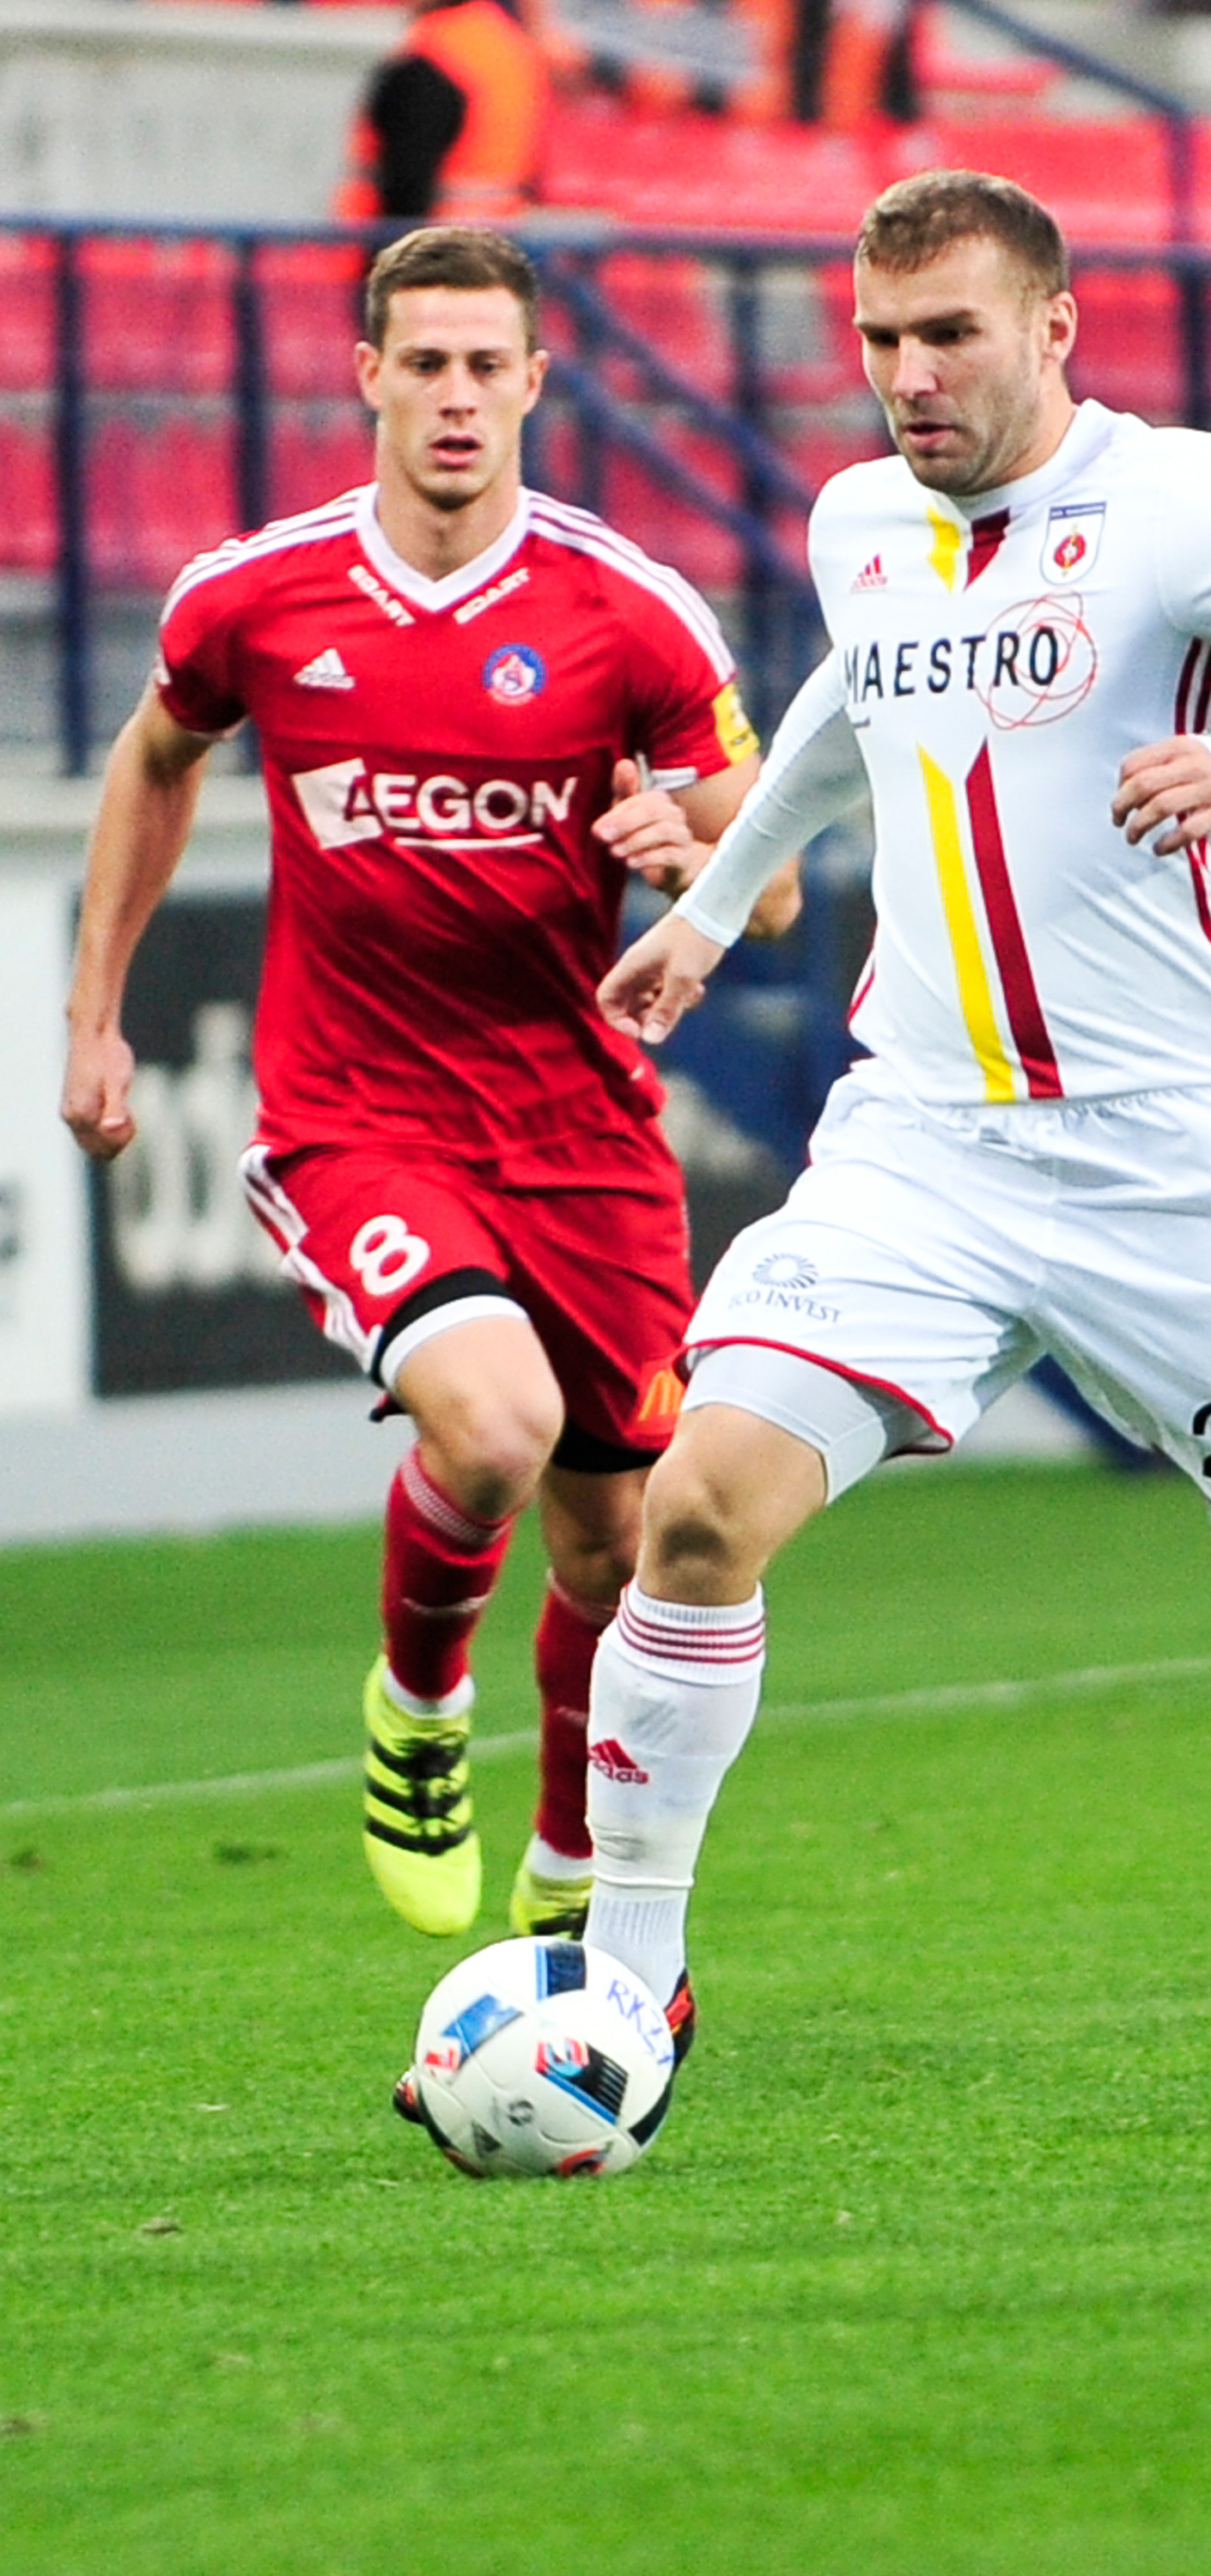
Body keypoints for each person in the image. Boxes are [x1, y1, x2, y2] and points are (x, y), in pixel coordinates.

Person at [586, 170, 1211, 2111]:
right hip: (925, 1138)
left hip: (1182, 1155)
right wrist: (716, 909)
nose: (906, 376)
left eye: (948, 335)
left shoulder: (1180, 504)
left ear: (1052, 328)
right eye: (878, 339)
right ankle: (625, 1999)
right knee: (700, 1502)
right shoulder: (856, 521)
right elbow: (848, 705)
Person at [61, 224, 799, 2001]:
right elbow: (155, 758)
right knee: (492, 1428)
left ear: (536, 382)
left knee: (617, 1545)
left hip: (582, 1136)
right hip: (356, 1117)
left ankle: (565, 1875)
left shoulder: (631, 611)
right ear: (369, 378)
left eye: (487, 367)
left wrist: (687, 854)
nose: (456, 398)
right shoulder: (257, 596)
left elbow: (768, 887)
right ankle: (415, 1704)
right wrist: (93, 1018)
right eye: (426, 364)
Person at [336, 0, 551, 223]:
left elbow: (407, 185)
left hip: (427, 237)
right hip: (496, 234)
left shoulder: (431, 58)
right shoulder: (506, 42)